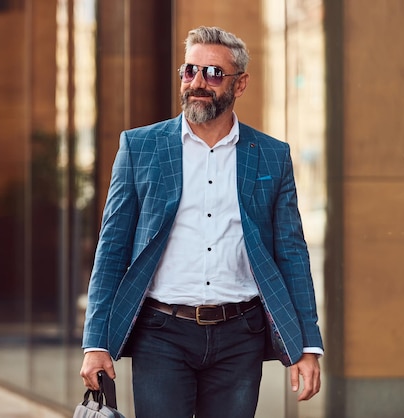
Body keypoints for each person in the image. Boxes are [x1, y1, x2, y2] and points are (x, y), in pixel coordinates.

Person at [80, 25, 323, 418]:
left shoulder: (271, 156)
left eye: (213, 73)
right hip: (161, 334)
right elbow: (112, 250)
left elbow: (292, 253)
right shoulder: (141, 147)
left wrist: (307, 346)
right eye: (189, 70)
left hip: (240, 335)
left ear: (240, 84)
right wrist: (95, 343)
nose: (197, 82)